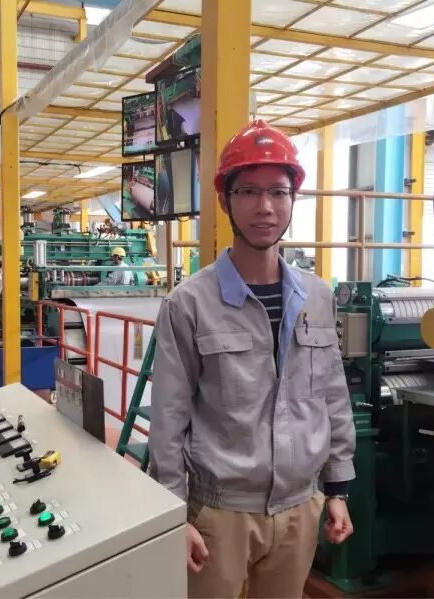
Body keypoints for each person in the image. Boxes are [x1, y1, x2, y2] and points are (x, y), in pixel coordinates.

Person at [148, 119, 356, 598]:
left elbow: (332, 396)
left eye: (278, 192)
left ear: (293, 200)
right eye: (249, 192)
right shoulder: (189, 304)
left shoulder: (318, 297)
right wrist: (174, 514)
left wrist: (337, 489)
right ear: (226, 201)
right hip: (219, 513)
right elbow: (169, 418)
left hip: (300, 508)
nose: (265, 207)